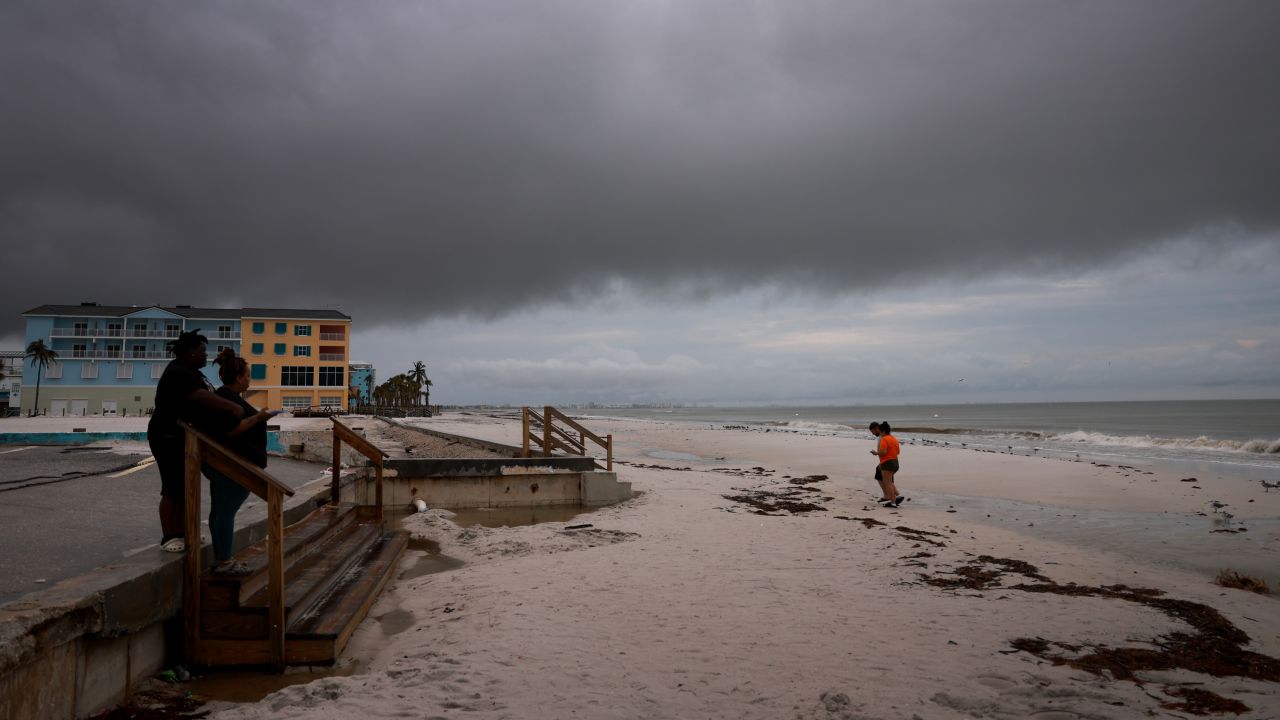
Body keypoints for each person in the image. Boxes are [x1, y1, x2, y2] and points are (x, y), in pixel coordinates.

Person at [147, 331, 244, 552]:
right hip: (167, 436)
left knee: (184, 486)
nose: (205, 355)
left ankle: (184, 530)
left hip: (186, 438)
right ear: (190, 352)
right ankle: (169, 537)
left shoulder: (192, 372)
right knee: (172, 487)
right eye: (202, 351)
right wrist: (231, 406)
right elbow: (199, 396)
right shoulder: (178, 371)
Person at [205, 348, 280, 575]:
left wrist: (259, 416)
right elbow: (231, 430)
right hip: (232, 465)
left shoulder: (225, 397)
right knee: (225, 511)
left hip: (227, 463)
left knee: (220, 510)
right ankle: (224, 561)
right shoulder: (226, 400)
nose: (249, 379)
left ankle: (221, 558)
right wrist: (259, 417)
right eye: (247, 375)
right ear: (238, 378)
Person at [869, 421, 903, 507]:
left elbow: (883, 452)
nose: (878, 432)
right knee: (889, 482)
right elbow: (898, 452)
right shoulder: (893, 438)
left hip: (887, 463)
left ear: (883, 431)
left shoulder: (884, 439)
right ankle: (895, 499)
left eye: (879, 430)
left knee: (887, 483)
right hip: (895, 462)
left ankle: (893, 502)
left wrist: (876, 453)